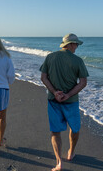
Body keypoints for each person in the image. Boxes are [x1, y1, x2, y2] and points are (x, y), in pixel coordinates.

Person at [40, 33, 89, 171]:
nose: (77, 47)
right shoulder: (78, 61)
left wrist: (55, 92)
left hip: (53, 100)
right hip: (71, 102)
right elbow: (83, 82)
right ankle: (71, 152)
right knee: (75, 128)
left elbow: (43, 77)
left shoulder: (50, 57)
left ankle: (59, 163)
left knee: (55, 132)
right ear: (71, 44)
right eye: (76, 44)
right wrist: (68, 95)